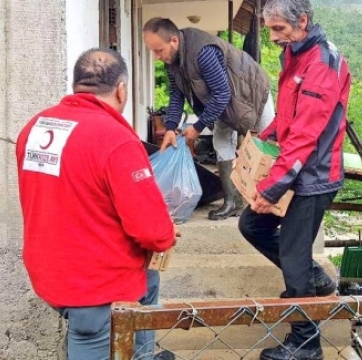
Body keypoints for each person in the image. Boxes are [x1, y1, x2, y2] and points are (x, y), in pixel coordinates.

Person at [16, 48, 177, 360]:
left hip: (49, 269)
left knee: (150, 280)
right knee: (91, 340)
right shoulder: (116, 139)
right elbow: (153, 233)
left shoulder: (36, 127)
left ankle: (142, 357)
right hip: (96, 283)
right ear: (121, 90)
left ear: (77, 85)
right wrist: (167, 231)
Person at [237, 0, 352, 359]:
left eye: (278, 30)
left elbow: (305, 134)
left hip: (314, 176)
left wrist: (271, 189)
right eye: (270, 29)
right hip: (296, 167)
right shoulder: (296, 53)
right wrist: (266, 138)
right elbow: (289, 117)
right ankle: (314, 278)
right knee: (252, 226)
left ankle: (306, 343)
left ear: (302, 21)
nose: (273, 38)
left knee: (293, 252)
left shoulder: (321, 63)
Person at [142, 17, 275, 221]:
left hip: (252, 94)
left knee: (267, 145)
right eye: (153, 51)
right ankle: (232, 202)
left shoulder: (202, 51)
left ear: (174, 41)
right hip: (224, 101)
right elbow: (176, 96)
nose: (157, 56)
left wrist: (198, 126)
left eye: (159, 50)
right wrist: (170, 128)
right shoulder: (172, 62)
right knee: (221, 142)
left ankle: (274, 202)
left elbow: (222, 93)